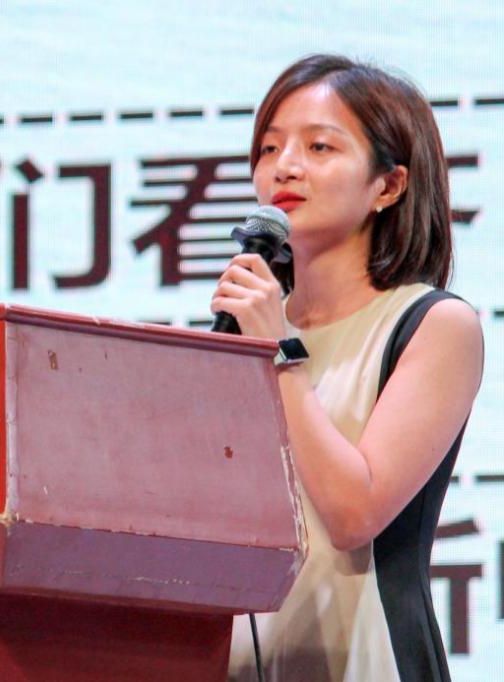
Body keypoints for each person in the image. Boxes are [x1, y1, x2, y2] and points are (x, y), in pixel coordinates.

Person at [214, 54, 483, 681]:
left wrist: (280, 351)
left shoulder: (433, 324)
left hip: (367, 657)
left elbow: (353, 513)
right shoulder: (246, 329)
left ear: (388, 186)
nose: (284, 167)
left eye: (320, 147)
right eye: (270, 148)